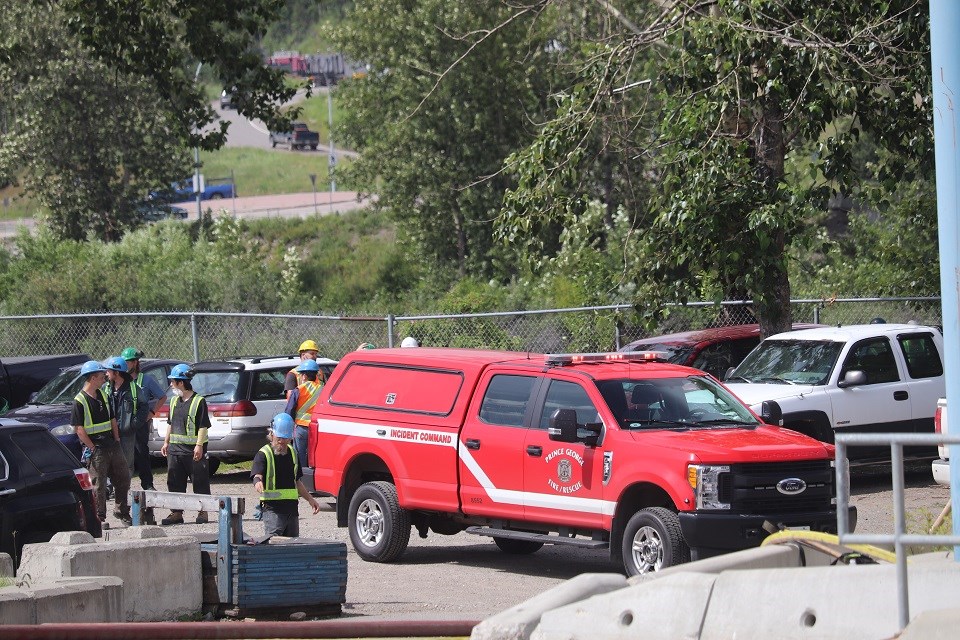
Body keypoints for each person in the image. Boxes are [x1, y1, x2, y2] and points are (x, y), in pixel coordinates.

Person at [72, 360, 131, 527]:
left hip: (112, 444)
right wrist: (91, 447)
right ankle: (100, 518)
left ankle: (121, 511)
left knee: (123, 478)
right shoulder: (80, 401)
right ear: (92, 378)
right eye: (100, 375)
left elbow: (112, 419)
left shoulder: (103, 395)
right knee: (99, 484)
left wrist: (117, 439)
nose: (105, 377)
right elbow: (79, 429)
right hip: (96, 448)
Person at [251, 413, 320, 537]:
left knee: (292, 549)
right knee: (274, 548)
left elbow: (297, 482)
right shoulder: (263, 454)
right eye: (279, 438)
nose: (282, 442)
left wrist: (310, 499)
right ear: (271, 434)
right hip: (273, 511)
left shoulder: (293, 453)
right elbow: (257, 476)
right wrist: (258, 483)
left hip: (292, 511)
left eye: (286, 438)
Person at [160, 364, 211, 525]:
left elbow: (203, 425)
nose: (171, 385)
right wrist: (166, 442)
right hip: (175, 450)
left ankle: (203, 512)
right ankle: (176, 513)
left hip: (192, 451)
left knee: (200, 481)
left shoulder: (199, 401)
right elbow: (170, 423)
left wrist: (199, 445)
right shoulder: (174, 401)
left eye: (173, 382)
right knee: (174, 481)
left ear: (181, 383)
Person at [121, 347, 168, 490]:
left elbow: (162, 396)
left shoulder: (146, 380)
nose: (126, 365)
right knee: (122, 454)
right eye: (124, 362)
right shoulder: (121, 381)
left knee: (141, 453)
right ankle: (122, 486)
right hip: (124, 422)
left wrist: (152, 413)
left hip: (140, 422)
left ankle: (147, 484)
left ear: (135, 363)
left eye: (128, 362)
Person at [102, 356, 144, 479]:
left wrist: (133, 424)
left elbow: (144, 407)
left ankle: (125, 489)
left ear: (117, 372)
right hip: (109, 433)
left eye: (109, 371)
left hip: (126, 434)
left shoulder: (133, 389)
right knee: (110, 463)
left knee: (127, 463)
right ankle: (112, 489)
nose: (106, 373)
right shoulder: (106, 388)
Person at [284, 359, 323, 465]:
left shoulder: (299, 389)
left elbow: (290, 409)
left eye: (301, 375)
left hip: (301, 427)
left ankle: (300, 479)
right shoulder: (323, 389)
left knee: (299, 456)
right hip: (316, 427)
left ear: (304, 376)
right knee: (313, 454)